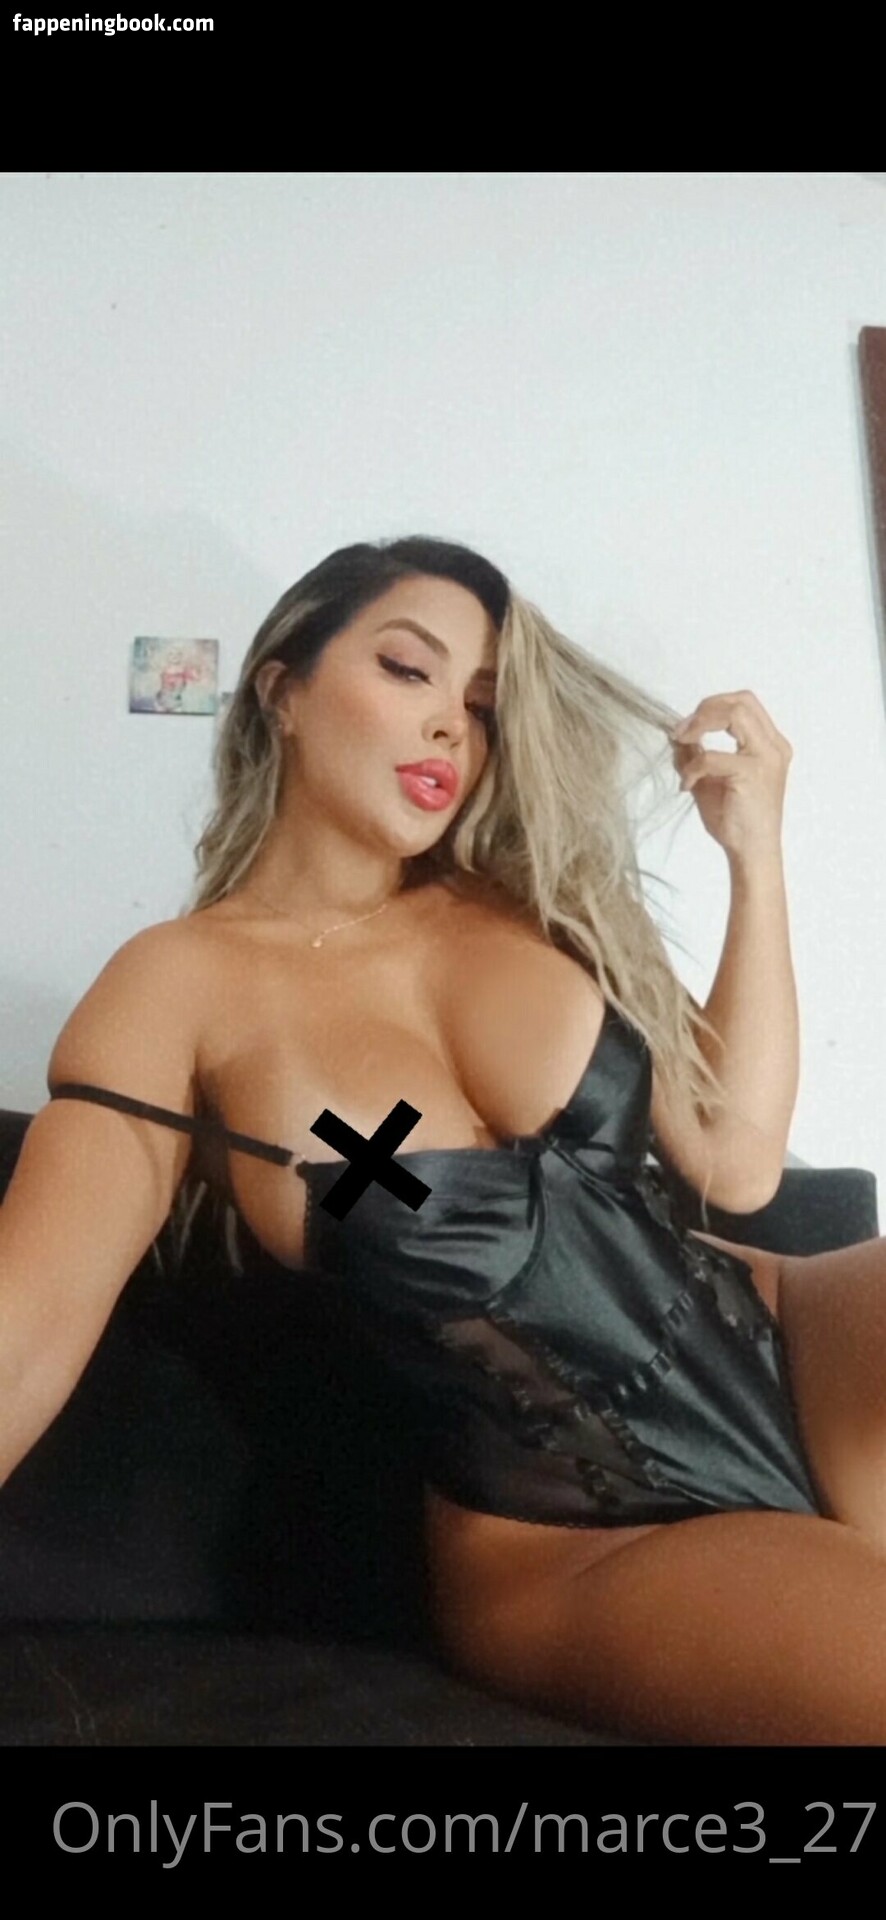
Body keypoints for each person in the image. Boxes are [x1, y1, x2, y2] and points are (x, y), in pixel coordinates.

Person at [4, 534, 886, 1747]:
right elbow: (25, 1340)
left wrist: (755, 855)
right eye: (408, 669)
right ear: (281, 687)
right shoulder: (177, 989)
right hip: (585, 1532)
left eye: (478, 704)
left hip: (793, 1337)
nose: (446, 728)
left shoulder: (537, 902)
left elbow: (734, 1161)